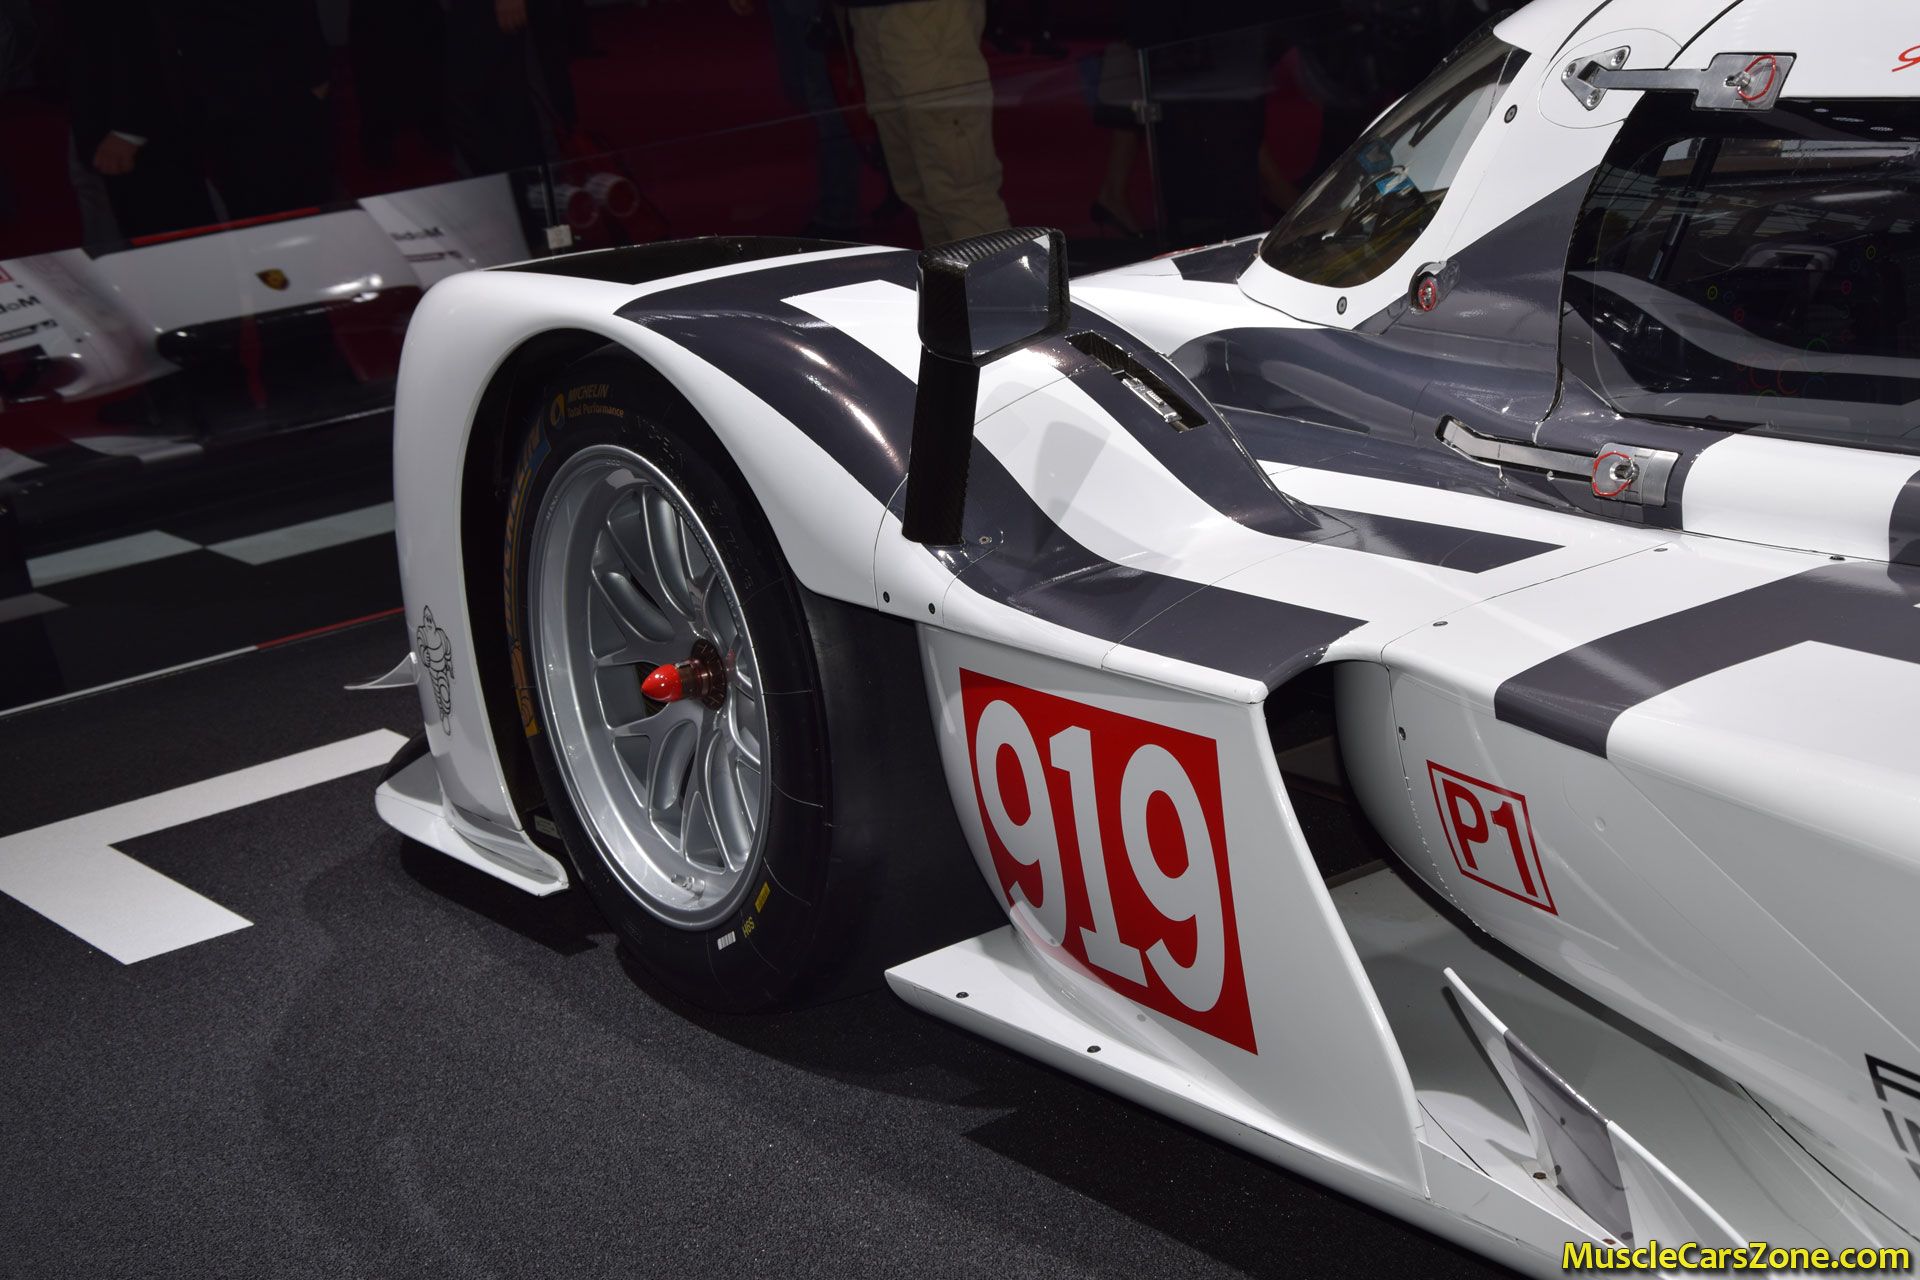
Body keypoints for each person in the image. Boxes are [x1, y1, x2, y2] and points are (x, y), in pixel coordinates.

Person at [843, 0, 1008, 247]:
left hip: (925, 15)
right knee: (918, 190)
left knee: (962, 190)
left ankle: (993, 272)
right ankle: (950, 270)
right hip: (868, 14)